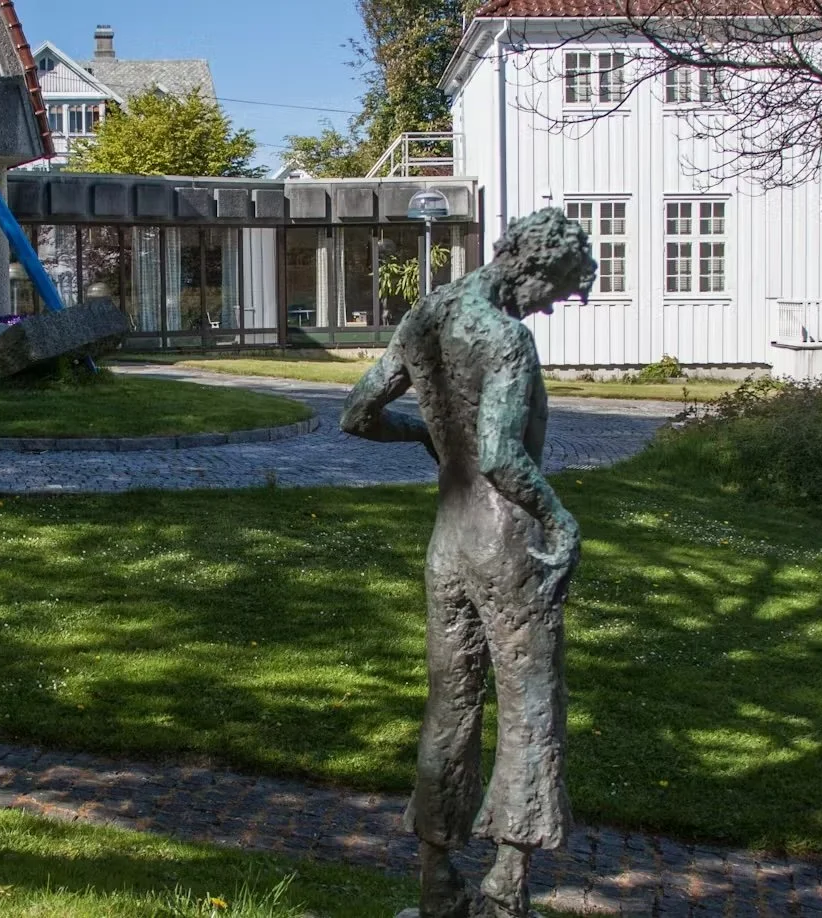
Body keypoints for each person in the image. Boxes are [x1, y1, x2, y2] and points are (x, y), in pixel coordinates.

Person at [341, 207, 595, 918]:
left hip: (449, 542)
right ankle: (506, 890)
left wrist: (430, 436)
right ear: (531, 265)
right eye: (559, 289)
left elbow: (358, 412)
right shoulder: (507, 337)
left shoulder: (426, 314)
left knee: (450, 706)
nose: (554, 304)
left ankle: (435, 882)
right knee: (530, 704)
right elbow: (502, 455)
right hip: (508, 542)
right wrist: (559, 516)